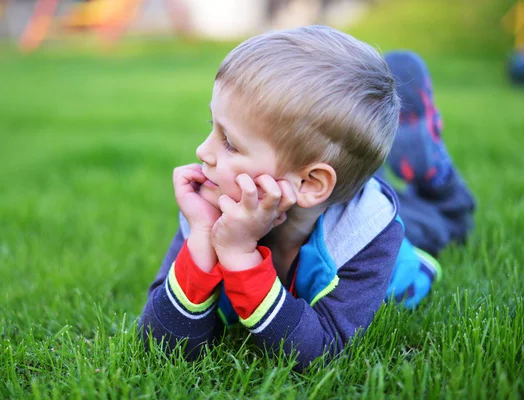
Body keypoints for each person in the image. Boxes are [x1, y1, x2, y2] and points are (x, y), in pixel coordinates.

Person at [138, 26, 475, 370]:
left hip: (388, 228)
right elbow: (160, 345)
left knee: (439, 222)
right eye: (213, 126)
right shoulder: (215, 207)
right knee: (350, 164)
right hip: (322, 192)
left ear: (311, 183)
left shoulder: (367, 232)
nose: (202, 151)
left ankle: (436, 173)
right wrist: (202, 237)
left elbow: (320, 351)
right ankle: (372, 156)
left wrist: (240, 255)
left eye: (231, 143)